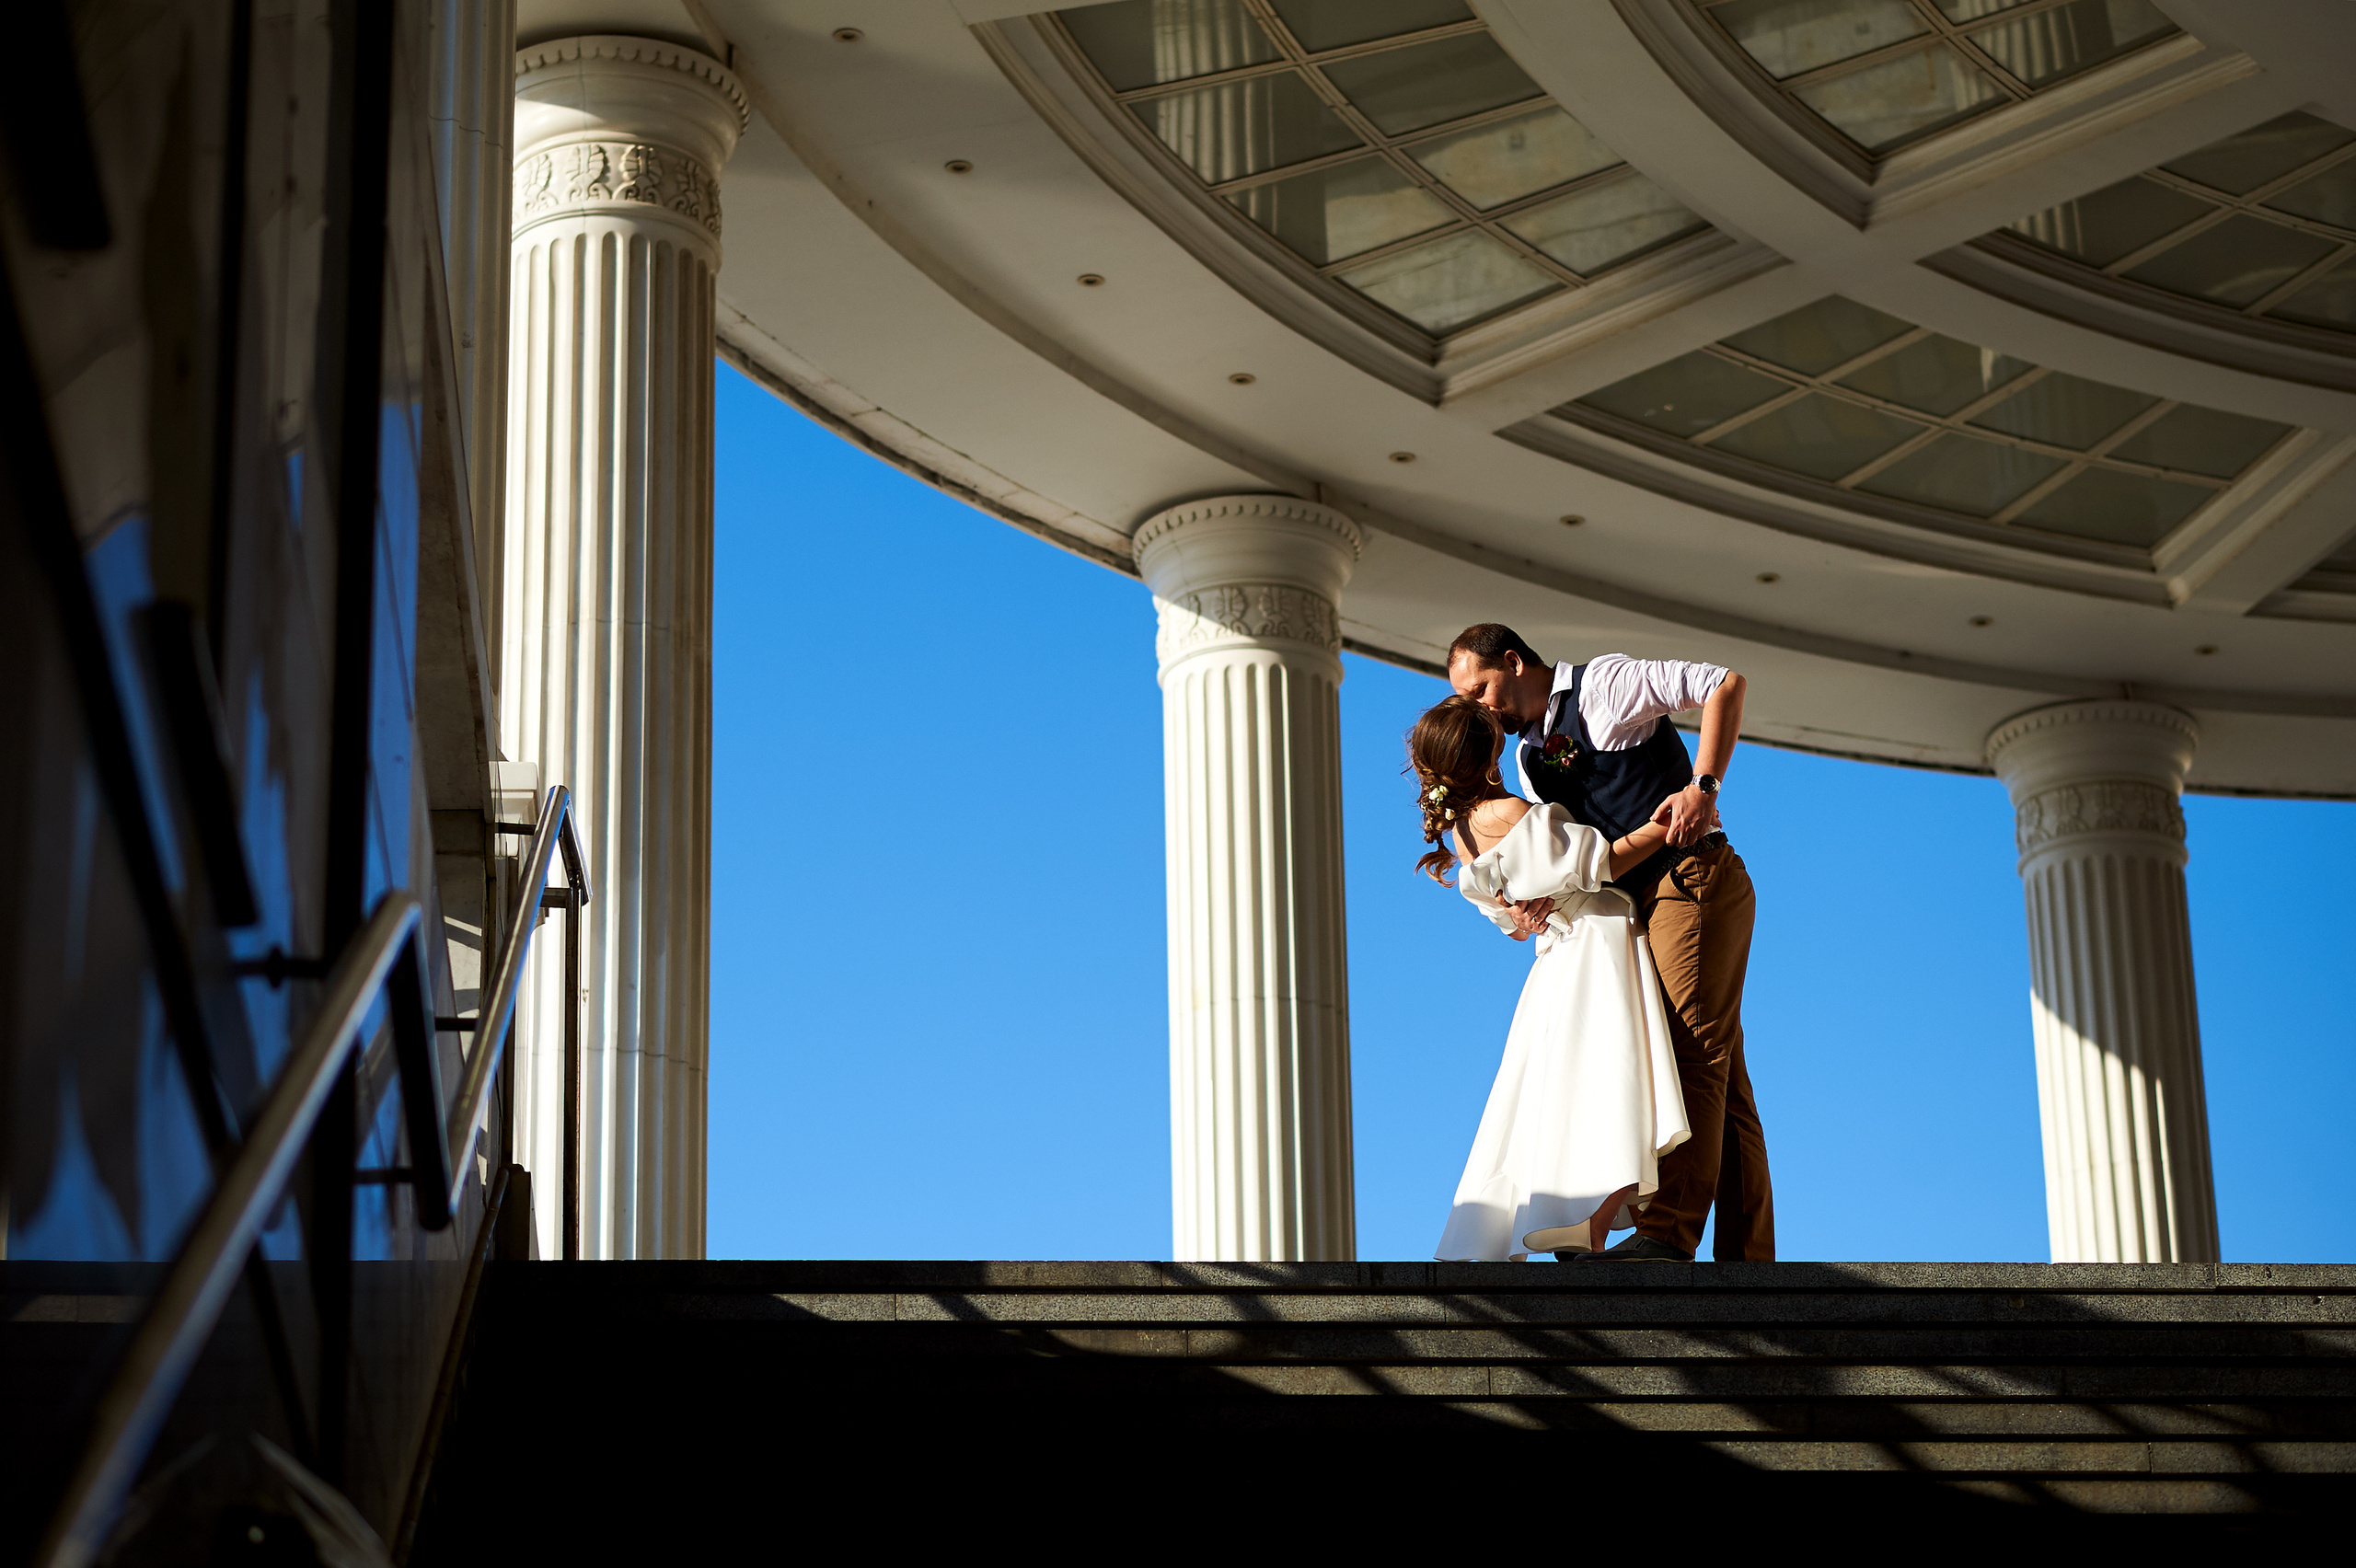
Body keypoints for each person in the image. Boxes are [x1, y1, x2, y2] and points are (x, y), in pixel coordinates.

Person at [1448, 624, 1770, 1263]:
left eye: (1480, 689)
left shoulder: (1603, 685)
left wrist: (1703, 786)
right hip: (1635, 907)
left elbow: (1723, 684)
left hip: (1689, 879)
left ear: (1513, 661)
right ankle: (1748, 1262)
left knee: (1692, 1056)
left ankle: (1666, 1236)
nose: (1479, 707)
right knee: (1723, 1078)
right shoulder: (1528, 758)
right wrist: (1544, 899)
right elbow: (1583, 856)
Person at [1411, 697, 1689, 1262]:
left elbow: (1514, 927)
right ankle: (1585, 1225)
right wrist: (1668, 825)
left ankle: (1571, 1223)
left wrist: (1524, 914)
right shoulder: (1512, 813)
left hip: (1554, 958)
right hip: (1597, 944)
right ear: (1488, 755)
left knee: (1562, 1088)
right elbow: (1600, 864)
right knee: (1611, 1080)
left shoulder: (1462, 837)